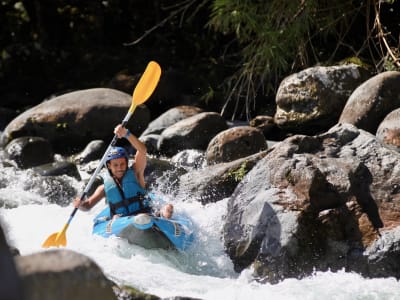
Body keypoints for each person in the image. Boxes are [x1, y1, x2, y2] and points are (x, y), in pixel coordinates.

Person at [73, 124, 173, 219]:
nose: (120, 168)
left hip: (146, 214)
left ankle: (164, 220)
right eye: (115, 165)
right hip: (121, 220)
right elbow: (88, 206)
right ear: (109, 166)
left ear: (127, 163)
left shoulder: (136, 173)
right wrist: (80, 204)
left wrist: (127, 134)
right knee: (115, 217)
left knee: (168, 208)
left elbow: (142, 150)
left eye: (122, 164)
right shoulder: (103, 188)